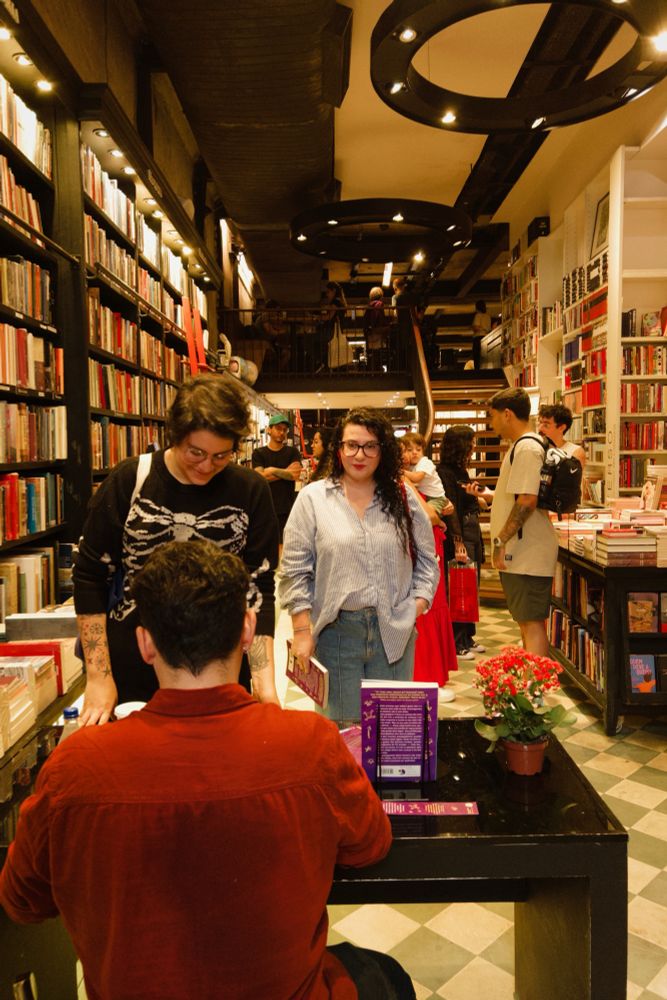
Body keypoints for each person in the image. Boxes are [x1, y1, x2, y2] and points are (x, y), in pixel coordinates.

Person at [1, 540, 416, 1000]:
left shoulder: (74, 769)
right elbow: (371, 843)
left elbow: (21, 900)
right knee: (386, 974)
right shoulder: (310, 745)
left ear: (144, 642)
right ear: (247, 629)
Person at [73, 374, 279, 724]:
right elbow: (90, 577)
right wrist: (99, 677)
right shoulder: (129, 481)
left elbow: (258, 588)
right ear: (175, 435)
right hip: (135, 665)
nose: (205, 466)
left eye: (221, 456)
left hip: (222, 671)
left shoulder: (251, 490)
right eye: (195, 452)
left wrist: (263, 681)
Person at [280, 407, 439, 723]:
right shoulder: (313, 498)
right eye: (351, 445)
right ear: (339, 448)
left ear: (383, 451)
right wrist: (301, 630)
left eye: (370, 446)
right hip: (336, 635)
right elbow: (295, 569)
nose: (359, 454)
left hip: (394, 631)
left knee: (390, 731)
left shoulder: (402, 496)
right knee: (342, 732)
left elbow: (427, 560)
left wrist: (417, 605)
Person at [488, 387, 558, 655]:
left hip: (527, 553)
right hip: (523, 553)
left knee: (531, 622)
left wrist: (500, 539)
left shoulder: (527, 447)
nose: (491, 424)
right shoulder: (523, 446)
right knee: (525, 621)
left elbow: (527, 500)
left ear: (507, 414)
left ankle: (534, 691)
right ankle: (531, 686)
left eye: (492, 417)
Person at [399, 438, 458, 701]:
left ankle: (430, 676)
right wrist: (439, 517)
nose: (408, 455)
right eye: (402, 450)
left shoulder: (413, 476)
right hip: (421, 549)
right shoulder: (402, 479)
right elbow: (428, 515)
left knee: (430, 606)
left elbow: (435, 508)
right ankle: (425, 678)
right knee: (424, 608)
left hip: (428, 547)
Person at [437, 425, 487, 660]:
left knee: (470, 585)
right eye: (470, 443)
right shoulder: (444, 473)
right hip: (462, 532)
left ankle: (467, 636)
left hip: (471, 529)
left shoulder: (460, 471)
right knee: (459, 586)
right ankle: (457, 642)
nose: (473, 448)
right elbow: (450, 509)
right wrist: (458, 541)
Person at [252, 413, 302, 545]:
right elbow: (260, 478)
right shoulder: (258, 453)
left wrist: (272, 470)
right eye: (278, 428)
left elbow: (295, 475)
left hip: (287, 508)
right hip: (265, 508)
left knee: (285, 545)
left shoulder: (292, 452)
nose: (282, 432)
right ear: (269, 430)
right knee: (267, 545)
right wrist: (285, 472)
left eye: (285, 430)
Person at [400, 431, 449, 515]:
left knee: (426, 515)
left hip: (436, 498)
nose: (415, 452)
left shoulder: (425, 462)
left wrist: (402, 472)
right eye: (409, 450)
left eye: (418, 449)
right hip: (425, 497)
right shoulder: (411, 465)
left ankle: (440, 524)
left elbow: (417, 477)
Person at [537, 403, 586, 467]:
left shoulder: (575, 452)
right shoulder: (537, 448)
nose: (540, 428)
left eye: (546, 425)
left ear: (562, 427)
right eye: (540, 423)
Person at [363, 286, 389, 371]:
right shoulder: (379, 304)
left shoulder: (369, 305)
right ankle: (378, 369)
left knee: (372, 353)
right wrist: (383, 327)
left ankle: (372, 370)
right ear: (380, 295)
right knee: (378, 352)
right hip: (377, 331)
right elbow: (378, 316)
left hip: (370, 332)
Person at [471, 300, 491, 369]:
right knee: (484, 355)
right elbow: (489, 328)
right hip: (486, 337)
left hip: (478, 337)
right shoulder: (488, 316)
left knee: (477, 356)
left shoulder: (478, 315)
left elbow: (476, 327)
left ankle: (477, 371)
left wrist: (474, 327)